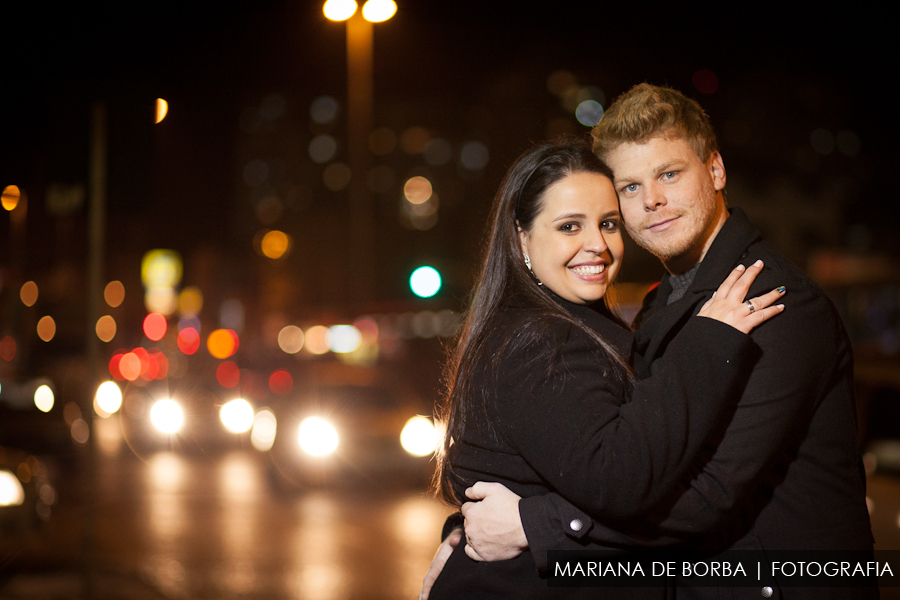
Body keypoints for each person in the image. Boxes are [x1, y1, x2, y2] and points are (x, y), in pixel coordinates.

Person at [421, 85, 876, 600]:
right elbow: (617, 449)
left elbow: (707, 491)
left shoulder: (768, 301)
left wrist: (531, 526)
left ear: (716, 170)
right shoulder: (660, 305)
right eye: (629, 188)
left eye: (669, 174)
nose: (652, 200)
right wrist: (469, 538)